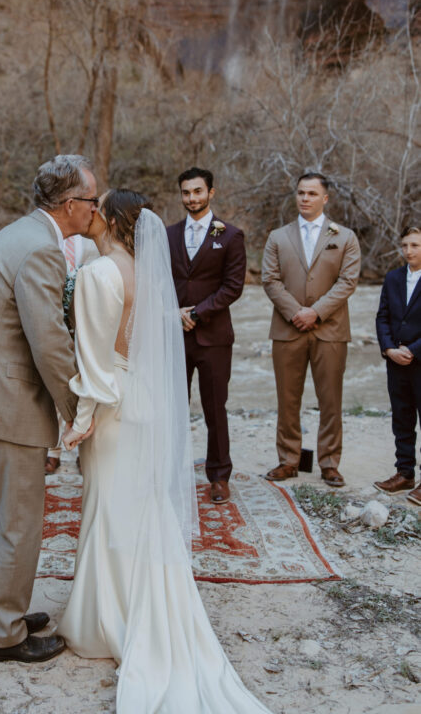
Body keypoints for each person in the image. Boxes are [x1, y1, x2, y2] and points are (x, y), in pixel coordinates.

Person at [60, 190, 298, 714]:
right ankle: (146, 600)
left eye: (95, 210)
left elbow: (94, 358)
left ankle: (108, 617)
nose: (86, 214)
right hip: (145, 400)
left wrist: (80, 418)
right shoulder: (147, 274)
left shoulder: (97, 274)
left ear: (111, 222)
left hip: (113, 406)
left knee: (110, 506)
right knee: (141, 505)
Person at [0, 154, 97, 664]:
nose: (95, 210)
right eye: (92, 201)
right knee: (21, 520)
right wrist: (78, 409)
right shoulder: (41, 251)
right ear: (71, 205)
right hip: (8, 397)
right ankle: (2, 637)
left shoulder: (18, 233)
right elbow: (48, 340)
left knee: (3, 511)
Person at [262, 172, 361, 487]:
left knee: (330, 400)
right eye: (301, 193)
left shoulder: (344, 237)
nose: (305, 199)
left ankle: (329, 463)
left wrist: (316, 312)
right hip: (287, 329)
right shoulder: (278, 236)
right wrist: (295, 313)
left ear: (325, 198)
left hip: (330, 331)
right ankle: (288, 461)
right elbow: (270, 280)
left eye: (312, 194)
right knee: (287, 399)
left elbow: (348, 282)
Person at [166, 167, 246, 504]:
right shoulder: (167, 235)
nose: (192, 198)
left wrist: (198, 313)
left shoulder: (230, 235)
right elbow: (159, 281)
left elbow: (233, 286)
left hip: (213, 337)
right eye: (186, 193)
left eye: (198, 191)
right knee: (172, 408)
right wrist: (174, 313)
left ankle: (218, 476)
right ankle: (172, 472)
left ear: (211, 192)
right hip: (173, 334)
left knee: (215, 409)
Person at [374, 225, 421, 506]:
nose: (408, 251)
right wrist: (389, 348)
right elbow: (382, 316)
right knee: (402, 419)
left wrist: (412, 351)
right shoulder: (393, 278)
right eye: (404, 245)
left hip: (420, 360)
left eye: (414, 245)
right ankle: (404, 473)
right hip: (396, 362)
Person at [45, 233, 99, 474]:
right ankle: (52, 450)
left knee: (85, 383)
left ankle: (82, 448)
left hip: (85, 320)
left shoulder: (92, 239)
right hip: (53, 319)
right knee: (56, 384)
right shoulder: (47, 237)